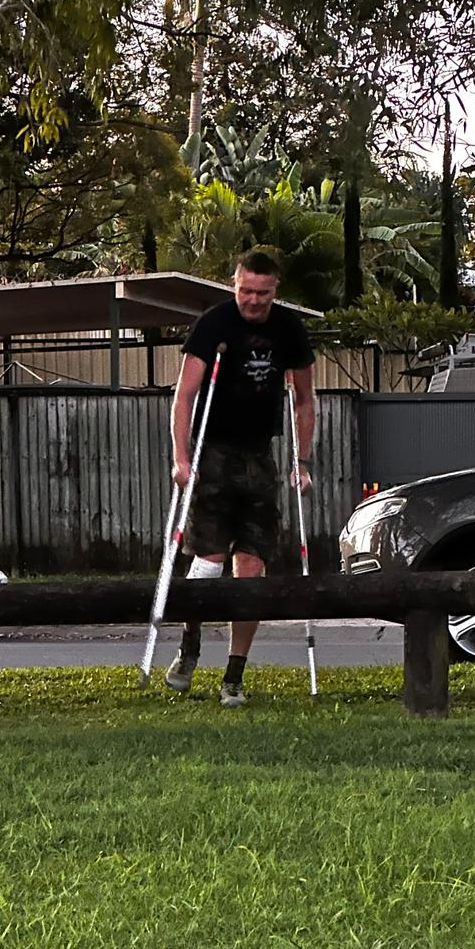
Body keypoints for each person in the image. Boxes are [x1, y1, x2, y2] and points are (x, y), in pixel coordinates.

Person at [165, 248, 315, 707]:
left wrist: (302, 461)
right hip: (214, 453)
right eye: (245, 291)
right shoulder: (214, 324)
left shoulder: (288, 328)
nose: (252, 300)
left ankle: (234, 674)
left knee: (251, 567)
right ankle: (189, 645)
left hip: (259, 457)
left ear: (275, 290)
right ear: (235, 284)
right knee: (208, 560)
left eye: (262, 293)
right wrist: (181, 458)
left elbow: (304, 399)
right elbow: (185, 395)